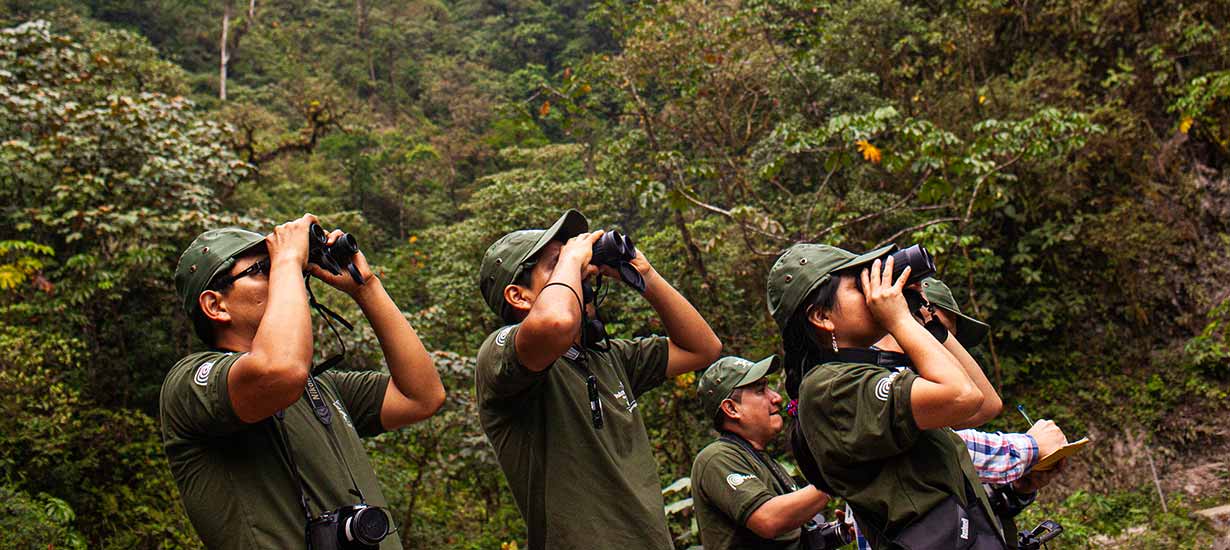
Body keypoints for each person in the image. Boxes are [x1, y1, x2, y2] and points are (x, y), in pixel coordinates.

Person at [160, 215, 446, 549]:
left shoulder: (319, 388)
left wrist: (366, 287)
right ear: (215, 305)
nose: (286, 276)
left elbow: (423, 396)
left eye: (279, 268)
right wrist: (286, 259)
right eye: (262, 269)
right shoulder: (189, 384)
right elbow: (280, 371)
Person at [475, 209, 722, 549]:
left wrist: (645, 275)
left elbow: (703, 349)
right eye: (556, 264)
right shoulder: (500, 358)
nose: (581, 273)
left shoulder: (609, 358)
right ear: (519, 296)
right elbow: (555, 323)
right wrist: (573, 256)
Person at [766, 244, 1006, 549]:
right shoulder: (830, 388)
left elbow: (983, 404)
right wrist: (899, 320)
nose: (874, 293)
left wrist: (929, 324)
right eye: (858, 285)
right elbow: (962, 396)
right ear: (822, 316)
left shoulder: (859, 374)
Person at [844, 277, 1070, 549]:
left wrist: (1020, 487)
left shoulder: (917, 388)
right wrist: (1030, 446)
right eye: (944, 331)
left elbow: (987, 405)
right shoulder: (875, 383)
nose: (952, 352)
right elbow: (945, 445)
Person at [692, 355, 852, 550]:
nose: (775, 398)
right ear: (732, 409)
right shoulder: (716, 458)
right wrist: (837, 476)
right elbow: (769, 519)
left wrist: (839, 532)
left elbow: (789, 540)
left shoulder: (762, 460)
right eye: (760, 390)